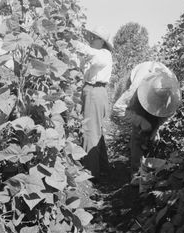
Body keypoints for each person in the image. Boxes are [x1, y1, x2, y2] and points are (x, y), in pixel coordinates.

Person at [113, 61, 181, 185]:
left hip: (159, 87)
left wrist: (157, 129)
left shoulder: (171, 88)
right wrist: (140, 121)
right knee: (139, 133)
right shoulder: (136, 87)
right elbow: (117, 108)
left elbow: (169, 112)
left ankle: (148, 167)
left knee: (152, 129)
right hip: (138, 90)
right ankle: (136, 172)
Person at [71, 26, 113, 182]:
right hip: (92, 91)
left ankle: (90, 173)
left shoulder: (103, 54)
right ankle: (102, 168)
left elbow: (94, 57)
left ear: (101, 41)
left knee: (90, 131)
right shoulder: (93, 54)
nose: (90, 39)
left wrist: (75, 43)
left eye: (93, 37)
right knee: (95, 131)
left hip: (95, 92)